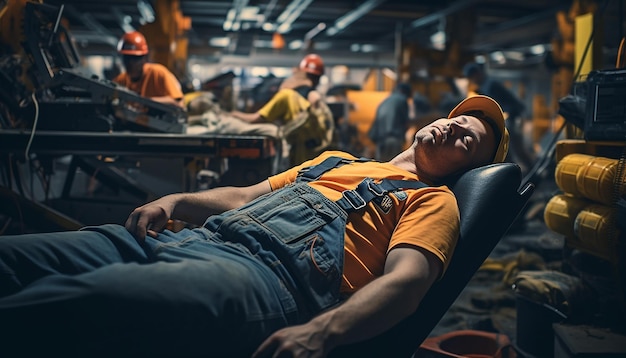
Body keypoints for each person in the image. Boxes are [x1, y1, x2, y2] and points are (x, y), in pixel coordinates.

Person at [0, 95, 509, 357]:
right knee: (17, 256)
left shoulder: (434, 201)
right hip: (195, 240)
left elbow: (407, 284)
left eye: (468, 140)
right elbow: (243, 197)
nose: (454, 127)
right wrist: (175, 200)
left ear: (466, 170)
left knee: (82, 299)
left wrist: (323, 332)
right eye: (457, 119)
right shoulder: (335, 160)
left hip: (263, 280)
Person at [230, 54, 334, 167]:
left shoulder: (286, 96)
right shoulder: (314, 100)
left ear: (300, 72)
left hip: (296, 159)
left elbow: (255, 119)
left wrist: (233, 114)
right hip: (318, 160)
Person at [463, 62, 533, 170]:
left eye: (472, 77)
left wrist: (507, 116)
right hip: (508, 117)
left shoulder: (491, 85)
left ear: (478, 73)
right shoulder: (484, 87)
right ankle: (512, 170)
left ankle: (531, 170)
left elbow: (508, 103)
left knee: (515, 146)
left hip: (513, 117)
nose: (473, 80)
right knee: (508, 148)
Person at [113, 31, 184, 109]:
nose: (131, 63)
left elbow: (179, 103)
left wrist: (147, 102)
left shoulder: (158, 74)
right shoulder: (120, 80)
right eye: (127, 58)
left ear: (144, 58)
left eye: (135, 58)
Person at [368, 83, 412, 161]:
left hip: (381, 141)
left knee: (383, 168)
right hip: (394, 140)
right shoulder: (402, 100)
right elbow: (406, 122)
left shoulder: (384, 101)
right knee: (393, 169)